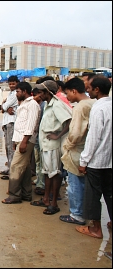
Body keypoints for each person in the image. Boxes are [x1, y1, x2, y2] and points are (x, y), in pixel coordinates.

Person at [76, 76, 112, 239]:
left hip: (97, 161)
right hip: (109, 161)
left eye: (89, 87)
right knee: (109, 194)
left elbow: (94, 137)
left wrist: (84, 161)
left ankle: (96, 229)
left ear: (97, 89)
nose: (87, 90)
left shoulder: (98, 109)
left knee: (93, 196)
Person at [30, 80, 72, 215]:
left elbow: (68, 121)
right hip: (46, 145)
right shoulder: (48, 105)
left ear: (47, 92)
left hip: (53, 145)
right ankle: (46, 198)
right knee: (47, 172)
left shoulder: (57, 105)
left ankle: (53, 203)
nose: (39, 95)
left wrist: (58, 135)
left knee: (55, 173)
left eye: (41, 92)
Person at [59, 77, 95, 225]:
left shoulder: (81, 107)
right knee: (86, 185)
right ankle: (86, 212)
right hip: (90, 150)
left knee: (75, 183)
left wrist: (67, 145)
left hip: (78, 150)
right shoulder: (94, 103)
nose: (67, 97)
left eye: (68, 93)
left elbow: (76, 132)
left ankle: (77, 214)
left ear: (74, 91)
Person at [1, 82, 40, 204]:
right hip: (20, 139)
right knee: (25, 167)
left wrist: (24, 142)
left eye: (18, 91)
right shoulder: (23, 104)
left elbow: (31, 125)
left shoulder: (32, 104)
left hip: (26, 140)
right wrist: (15, 141)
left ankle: (14, 195)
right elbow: (20, 123)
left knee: (15, 166)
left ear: (24, 91)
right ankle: (26, 193)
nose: (16, 94)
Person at [0, 76, 19, 179]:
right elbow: (4, 107)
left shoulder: (16, 94)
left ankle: (12, 171)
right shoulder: (10, 93)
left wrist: (4, 106)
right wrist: (4, 106)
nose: (11, 85)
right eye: (10, 84)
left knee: (11, 147)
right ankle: (9, 168)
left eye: (13, 83)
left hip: (12, 122)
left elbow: (4, 107)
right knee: (7, 147)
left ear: (17, 83)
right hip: (7, 122)